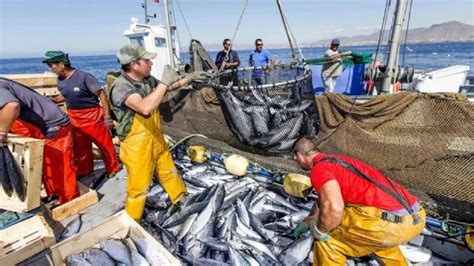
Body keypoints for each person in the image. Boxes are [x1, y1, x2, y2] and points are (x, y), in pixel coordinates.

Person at [107, 44, 207, 222]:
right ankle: (132, 222)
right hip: (136, 144)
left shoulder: (145, 80)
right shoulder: (121, 87)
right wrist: (163, 82)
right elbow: (145, 108)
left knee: (168, 170)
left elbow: (166, 89)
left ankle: (180, 199)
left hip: (155, 136)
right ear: (134, 65)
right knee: (138, 187)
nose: (151, 63)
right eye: (146, 60)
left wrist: (189, 79)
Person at [291, 136, 426, 265]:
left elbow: (334, 208)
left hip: (386, 226)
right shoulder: (340, 161)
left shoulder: (319, 170)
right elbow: (322, 203)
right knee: (370, 239)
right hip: (414, 219)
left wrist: (320, 231)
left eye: (295, 157)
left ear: (301, 156)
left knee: (328, 242)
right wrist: (307, 222)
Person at [0, 77, 78, 204]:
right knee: (46, 164)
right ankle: (55, 195)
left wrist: (2, 134)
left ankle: (69, 201)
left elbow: (12, 106)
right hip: (38, 125)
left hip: (53, 126)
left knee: (60, 166)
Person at [42, 51, 120, 178]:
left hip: (92, 115)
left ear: (62, 64)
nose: (50, 68)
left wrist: (107, 117)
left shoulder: (84, 77)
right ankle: (85, 170)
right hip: (74, 117)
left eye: (52, 65)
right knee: (80, 147)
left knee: (104, 145)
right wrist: (54, 100)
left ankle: (113, 169)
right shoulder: (60, 80)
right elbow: (65, 94)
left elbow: (102, 95)